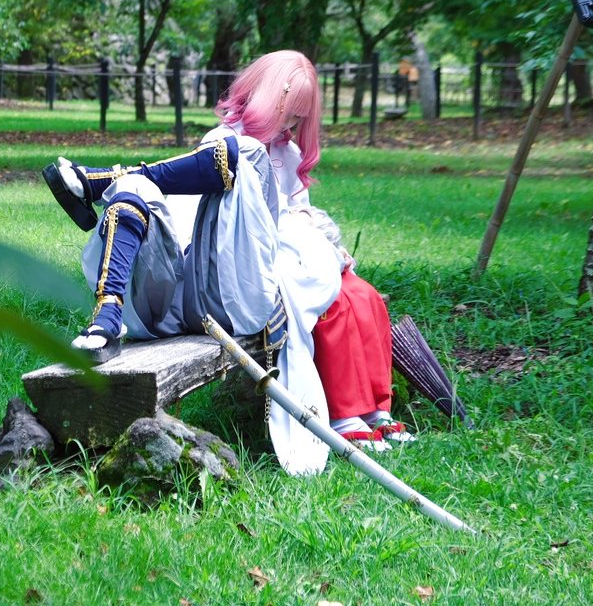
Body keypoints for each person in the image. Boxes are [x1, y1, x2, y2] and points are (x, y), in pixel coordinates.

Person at [42, 50, 413, 475]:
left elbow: (302, 221)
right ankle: (104, 320)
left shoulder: (283, 154)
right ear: (270, 96)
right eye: (290, 111)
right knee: (165, 182)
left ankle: (99, 180)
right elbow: (185, 234)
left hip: (249, 288)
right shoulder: (223, 141)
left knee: (356, 289)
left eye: (301, 116)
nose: (293, 124)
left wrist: (323, 241)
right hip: (193, 286)